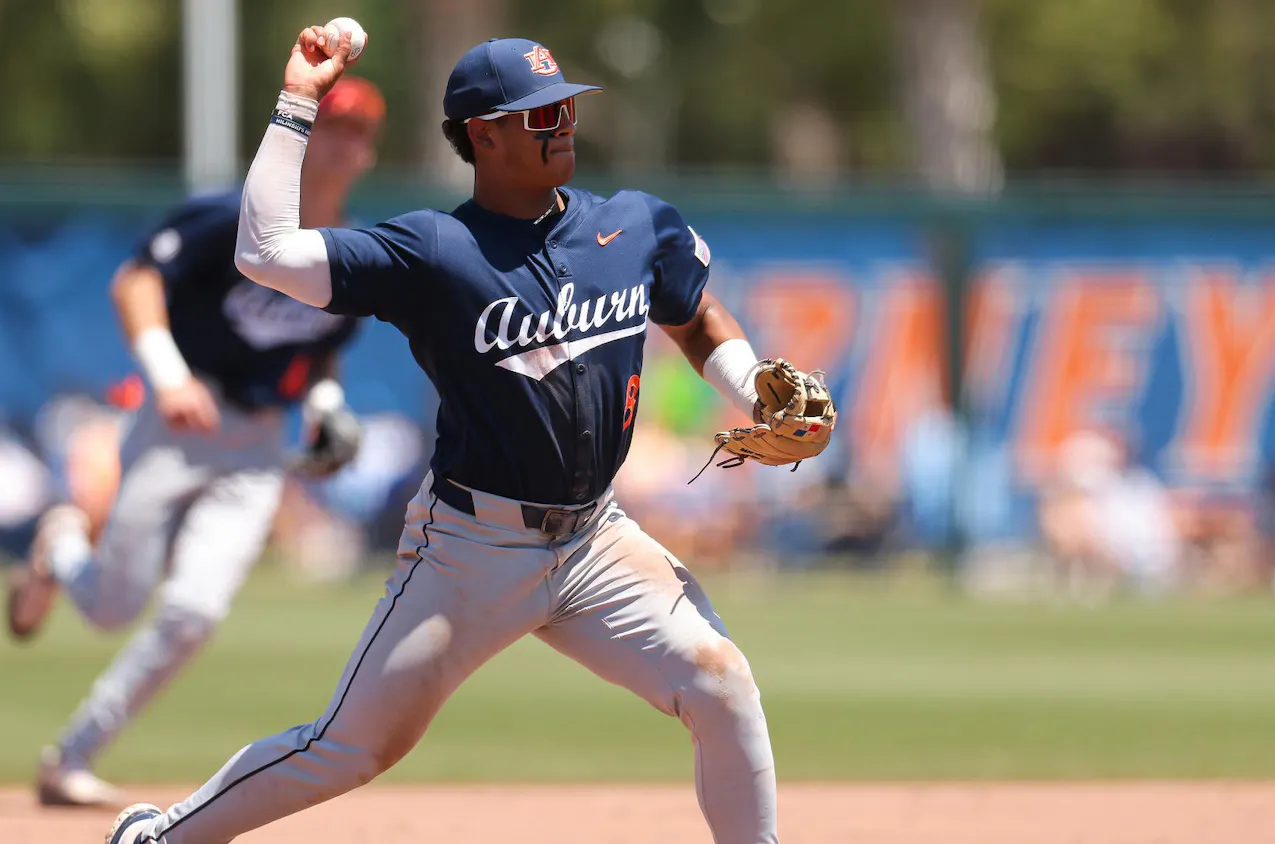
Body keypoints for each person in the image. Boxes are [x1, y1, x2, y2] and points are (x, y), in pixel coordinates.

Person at [104, 29, 836, 844]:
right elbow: (265, 251)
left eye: (565, 107)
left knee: (721, 681)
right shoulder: (435, 251)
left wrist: (750, 387)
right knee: (348, 749)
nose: (562, 123)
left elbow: (692, 310)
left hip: (596, 539)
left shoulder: (631, 226)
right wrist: (299, 102)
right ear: (482, 133)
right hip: (469, 550)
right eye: (538, 114)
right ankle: (163, 835)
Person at [5, 77, 388, 808]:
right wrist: (169, 374)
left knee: (194, 614)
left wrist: (328, 402)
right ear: (305, 138)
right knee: (113, 606)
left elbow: (322, 346)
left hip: (258, 444)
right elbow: (135, 281)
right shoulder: (232, 215)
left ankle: (70, 758)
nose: (345, 143)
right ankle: (60, 547)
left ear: (370, 151)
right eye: (333, 125)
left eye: (360, 131)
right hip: (181, 419)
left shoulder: (351, 249)